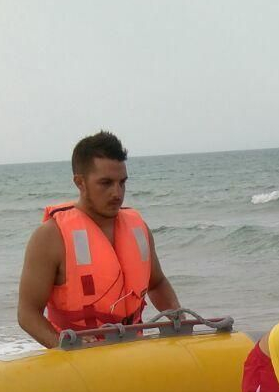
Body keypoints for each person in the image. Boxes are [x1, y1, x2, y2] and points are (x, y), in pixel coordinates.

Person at [16, 130, 180, 347]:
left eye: (122, 182)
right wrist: (64, 344)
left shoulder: (138, 229)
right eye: (106, 183)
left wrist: (178, 320)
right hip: (78, 361)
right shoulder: (50, 237)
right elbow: (27, 313)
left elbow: (157, 283)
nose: (117, 193)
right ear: (80, 182)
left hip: (134, 349)